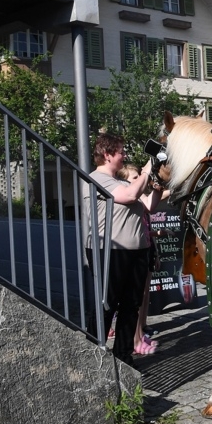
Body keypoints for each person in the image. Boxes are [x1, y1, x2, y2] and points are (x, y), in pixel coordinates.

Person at [89, 133, 155, 366]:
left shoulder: (122, 181)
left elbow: (148, 204)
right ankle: (93, 357)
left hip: (137, 251)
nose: (125, 155)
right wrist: (148, 169)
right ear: (107, 154)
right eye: (121, 152)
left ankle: (123, 357)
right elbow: (130, 195)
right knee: (107, 305)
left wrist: (157, 184)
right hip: (110, 251)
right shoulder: (95, 179)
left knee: (131, 306)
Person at [118, 163, 158, 356]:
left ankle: (139, 335)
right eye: (135, 177)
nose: (139, 180)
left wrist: (159, 188)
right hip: (129, 250)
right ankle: (133, 340)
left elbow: (150, 206)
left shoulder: (138, 195)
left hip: (144, 247)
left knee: (141, 296)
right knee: (133, 299)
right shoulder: (126, 193)